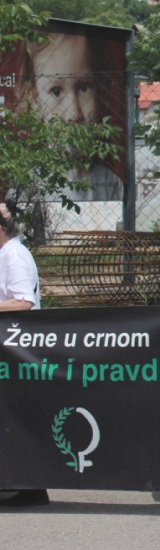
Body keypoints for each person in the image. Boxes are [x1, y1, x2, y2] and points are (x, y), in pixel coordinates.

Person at [18, 33, 123, 201]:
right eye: (56, 91)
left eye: (84, 87)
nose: (74, 114)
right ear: (34, 99)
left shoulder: (111, 185)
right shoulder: (27, 186)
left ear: (100, 91)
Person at [0, 199, 49, 508]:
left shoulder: (14, 256)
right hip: (9, 347)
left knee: (17, 414)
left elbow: (23, 302)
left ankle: (31, 486)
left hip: (18, 347)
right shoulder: (6, 254)